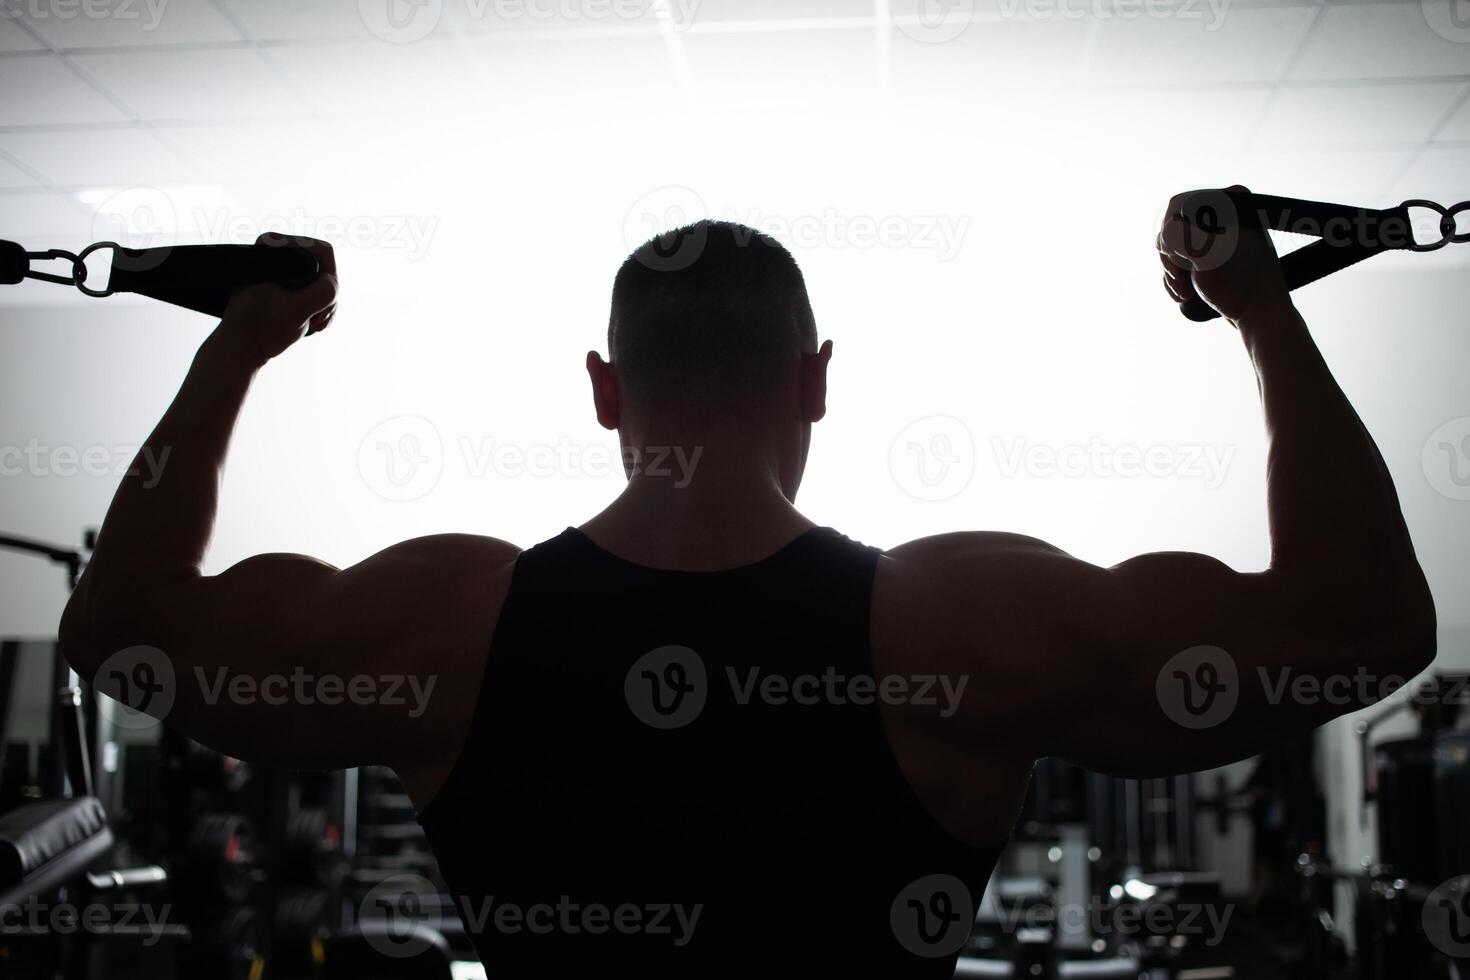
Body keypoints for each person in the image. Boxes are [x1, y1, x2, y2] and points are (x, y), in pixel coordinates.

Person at [58, 192, 1436, 977]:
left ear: (604, 393)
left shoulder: (446, 623)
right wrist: (1257, 301)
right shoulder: (959, 624)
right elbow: (1361, 626)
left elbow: (120, 632)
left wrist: (240, 342)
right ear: (816, 380)